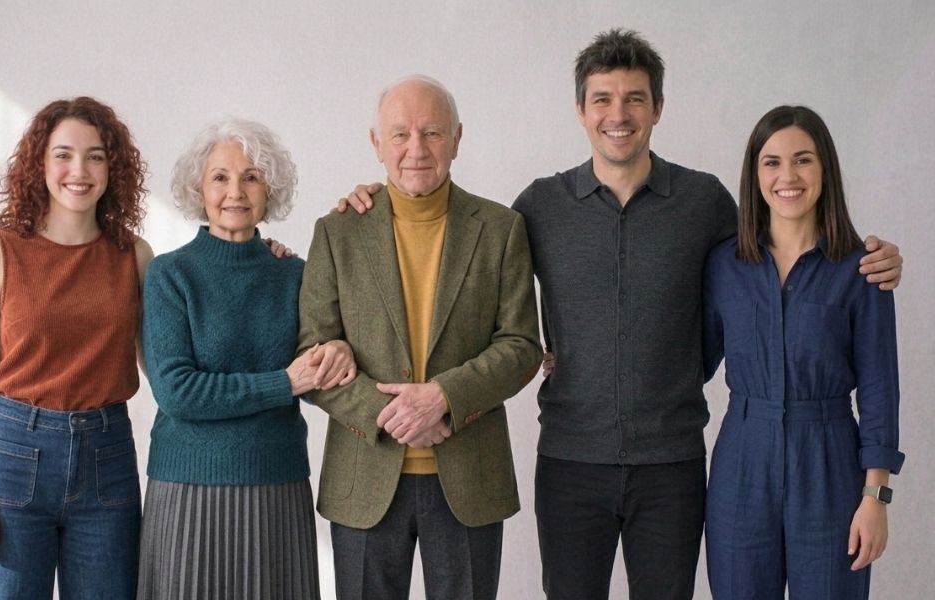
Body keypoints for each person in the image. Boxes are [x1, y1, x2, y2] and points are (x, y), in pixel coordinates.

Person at [337, 30, 903, 600]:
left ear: (658, 107)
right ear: (581, 110)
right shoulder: (538, 207)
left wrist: (871, 257)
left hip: (672, 464)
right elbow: (467, 260)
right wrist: (376, 196)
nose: (619, 114)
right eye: (603, 98)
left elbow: (777, 250)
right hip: (569, 461)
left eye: (635, 98)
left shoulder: (704, 203)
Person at [297, 75, 542, 600]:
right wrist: (398, 416)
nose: (416, 149)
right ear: (376, 143)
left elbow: (522, 347)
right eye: (400, 134)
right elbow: (311, 353)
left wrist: (444, 399)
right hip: (364, 478)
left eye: (432, 133)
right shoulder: (336, 231)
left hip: (469, 479)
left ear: (457, 139)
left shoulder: (500, 229)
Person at [136, 119, 355, 600]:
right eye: (220, 177)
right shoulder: (169, 275)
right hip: (186, 487)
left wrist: (338, 352)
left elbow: (319, 381)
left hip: (276, 482)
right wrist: (284, 382)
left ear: (269, 188)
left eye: (251, 176)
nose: (235, 191)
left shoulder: (296, 273)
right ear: (199, 187)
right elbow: (177, 392)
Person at [0, 97, 152, 599]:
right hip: (15, 454)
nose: (78, 171)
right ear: (39, 163)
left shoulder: (135, 256)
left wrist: (258, 248)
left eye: (96, 156)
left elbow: (164, 364)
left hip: (108, 455)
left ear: (113, 167)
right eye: (63, 154)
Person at [702, 105, 904, 599]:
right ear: (755, 175)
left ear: (825, 170)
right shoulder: (724, 266)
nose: (787, 176)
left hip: (831, 464)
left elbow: (880, 387)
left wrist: (875, 497)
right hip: (742, 463)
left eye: (803, 160)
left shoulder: (863, 269)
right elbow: (689, 362)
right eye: (771, 162)